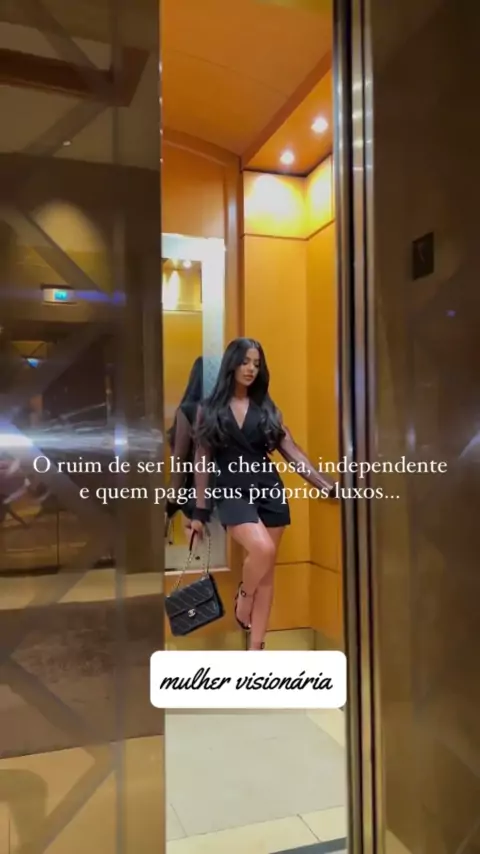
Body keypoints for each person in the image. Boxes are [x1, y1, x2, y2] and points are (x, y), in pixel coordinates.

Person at [190, 337, 337, 650]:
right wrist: (199, 512)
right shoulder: (209, 410)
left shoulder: (268, 409)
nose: (251, 369)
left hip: (270, 492)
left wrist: (326, 485)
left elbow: (293, 452)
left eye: (256, 364)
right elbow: (201, 460)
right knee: (263, 550)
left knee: (267, 574)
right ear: (232, 364)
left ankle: (256, 649)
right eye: (245, 362)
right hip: (231, 492)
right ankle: (244, 596)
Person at [165, 356, 203, 533]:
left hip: (194, 496)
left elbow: (179, 460)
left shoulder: (188, 411)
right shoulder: (231, 409)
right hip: (229, 495)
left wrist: (171, 501)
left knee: (198, 547)